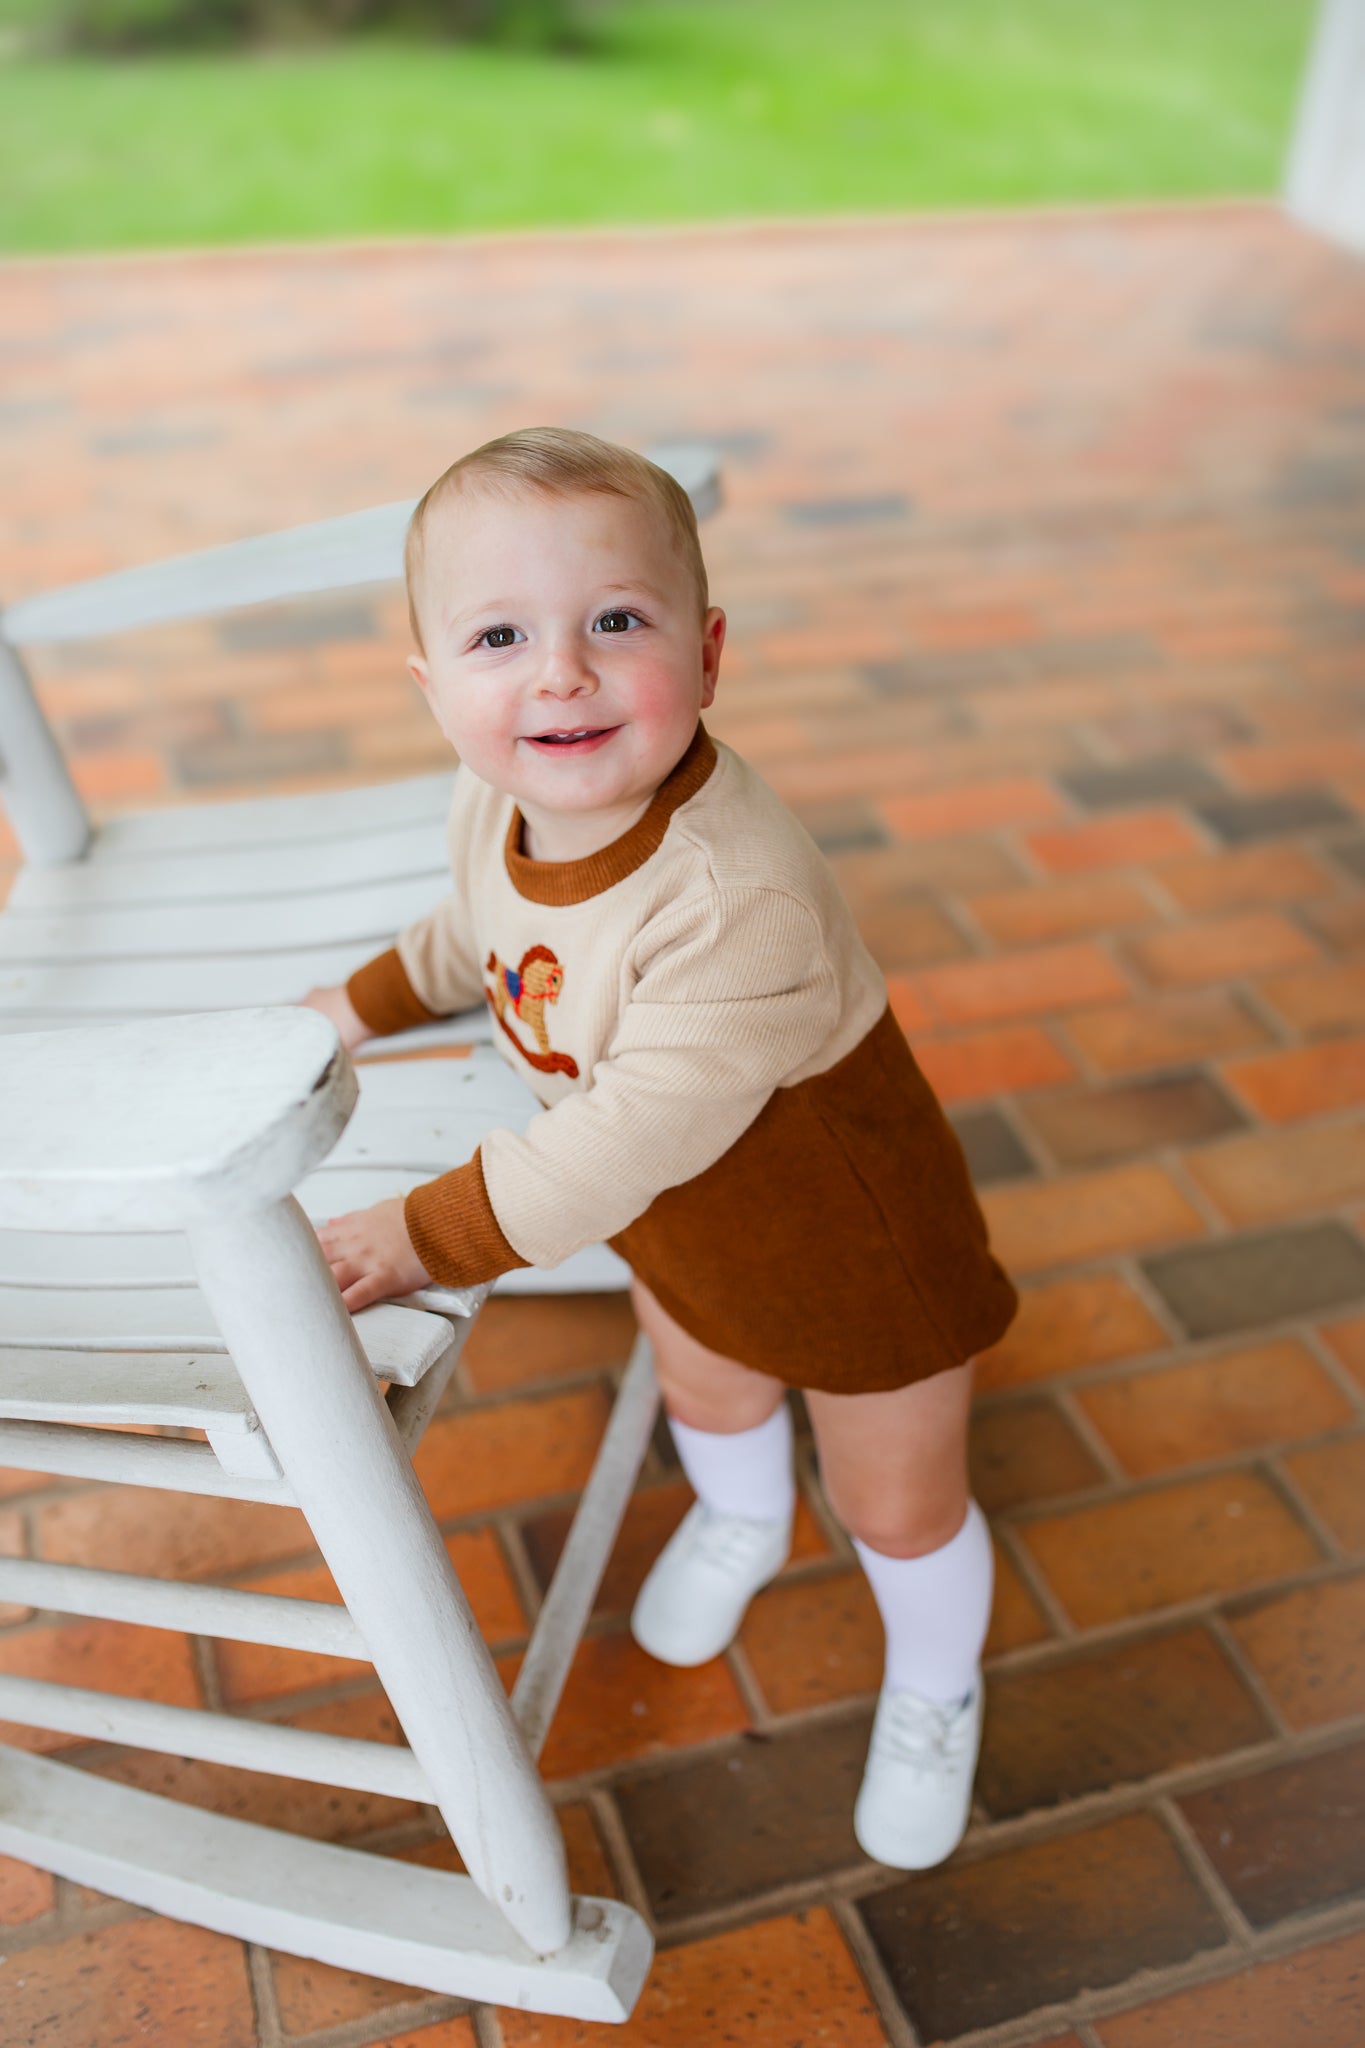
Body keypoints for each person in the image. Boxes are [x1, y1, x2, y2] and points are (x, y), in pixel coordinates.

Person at [301, 426, 1018, 1870]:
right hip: (675, 1219)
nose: (558, 673)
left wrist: (408, 1235)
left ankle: (938, 1680)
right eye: (500, 636)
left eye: (614, 623)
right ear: (434, 687)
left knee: (894, 1490)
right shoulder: (503, 796)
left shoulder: (728, 894)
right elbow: (484, 938)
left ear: (707, 650)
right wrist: (362, 1003)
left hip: (841, 1227)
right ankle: (743, 1517)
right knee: (702, 1367)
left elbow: (622, 1133)